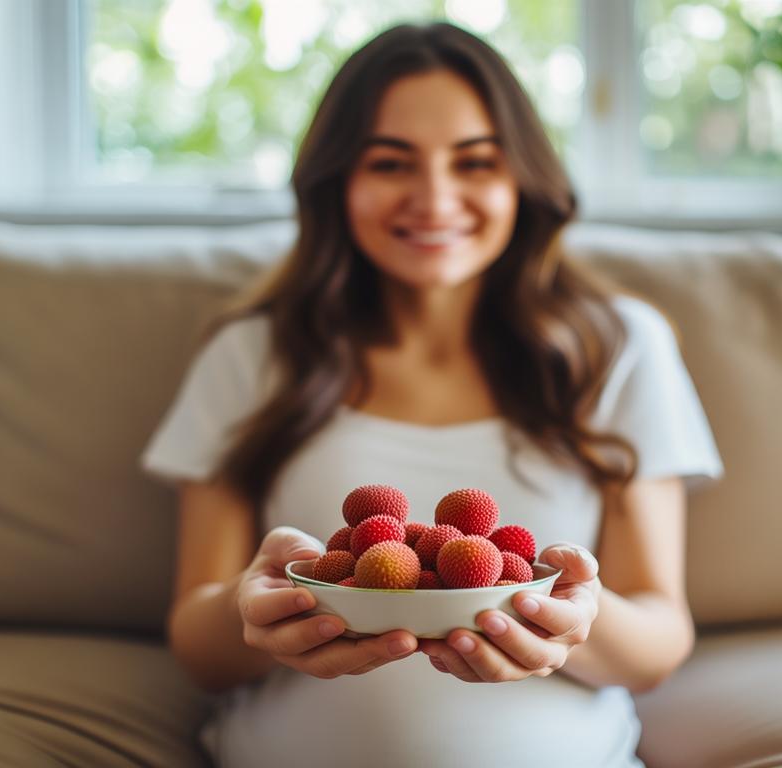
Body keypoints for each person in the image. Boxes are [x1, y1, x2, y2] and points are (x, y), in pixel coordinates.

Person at [140, 21, 722, 768]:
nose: (435, 198)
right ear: (336, 182)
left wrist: (559, 614)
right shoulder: (250, 352)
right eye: (390, 162)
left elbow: (657, 643)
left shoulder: (618, 347)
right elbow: (200, 648)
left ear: (523, 180)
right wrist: (256, 608)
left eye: (475, 162)